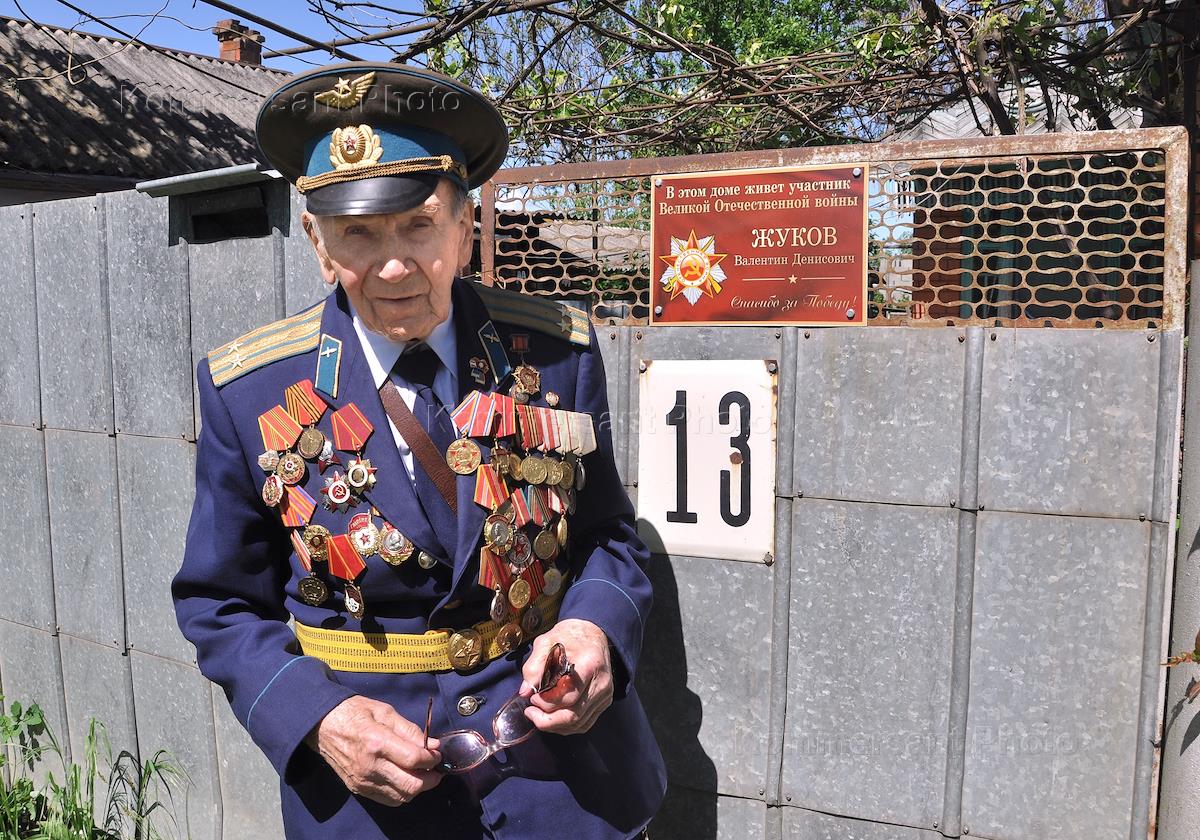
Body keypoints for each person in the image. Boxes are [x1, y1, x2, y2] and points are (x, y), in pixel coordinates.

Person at [172, 62, 666, 839]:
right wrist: (318, 718)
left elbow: (607, 536)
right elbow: (219, 602)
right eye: (358, 233)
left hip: (564, 787)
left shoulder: (556, 354)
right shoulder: (251, 390)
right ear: (318, 243)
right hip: (373, 806)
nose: (394, 264)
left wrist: (593, 628)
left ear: (465, 228)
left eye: (419, 225)